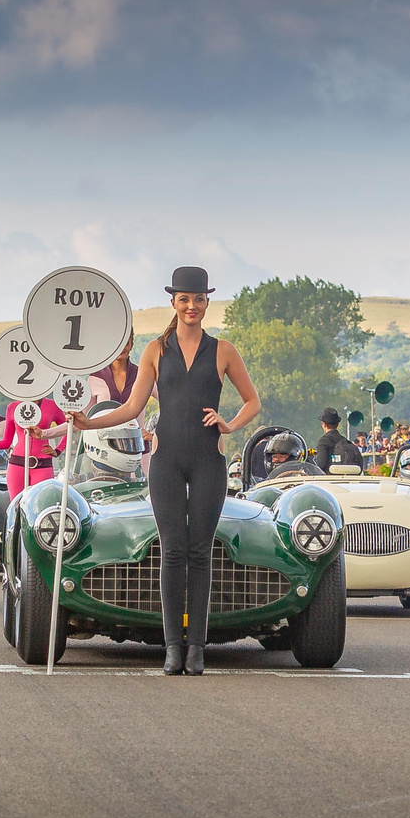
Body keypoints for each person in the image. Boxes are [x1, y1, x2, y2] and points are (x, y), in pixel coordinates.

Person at [74, 266, 261, 676]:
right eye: (183, 299)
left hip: (210, 462)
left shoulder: (224, 350)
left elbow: (253, 402)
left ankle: (197, 649)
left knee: (201, 552)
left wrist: (229, 424)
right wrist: (87, 422)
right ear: (173, 302)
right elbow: (131, 408)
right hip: (166, 462)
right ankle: (172, 648)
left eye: (197, 299)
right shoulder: (155, 351)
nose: (191, 306)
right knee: (173, 553)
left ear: (207, 302)